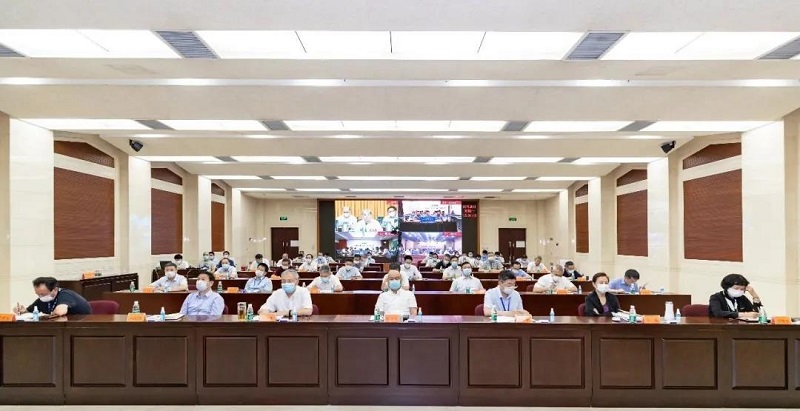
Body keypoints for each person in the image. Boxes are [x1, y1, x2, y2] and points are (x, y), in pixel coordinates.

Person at [13, 276, 91, 316]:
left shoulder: (66, 294)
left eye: (42, 294)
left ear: (55, 290)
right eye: (38, 294)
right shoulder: (43, 299)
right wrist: (24, 311)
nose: (40, 297)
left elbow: (60, 311)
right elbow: (31, 311)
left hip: (82, 326)